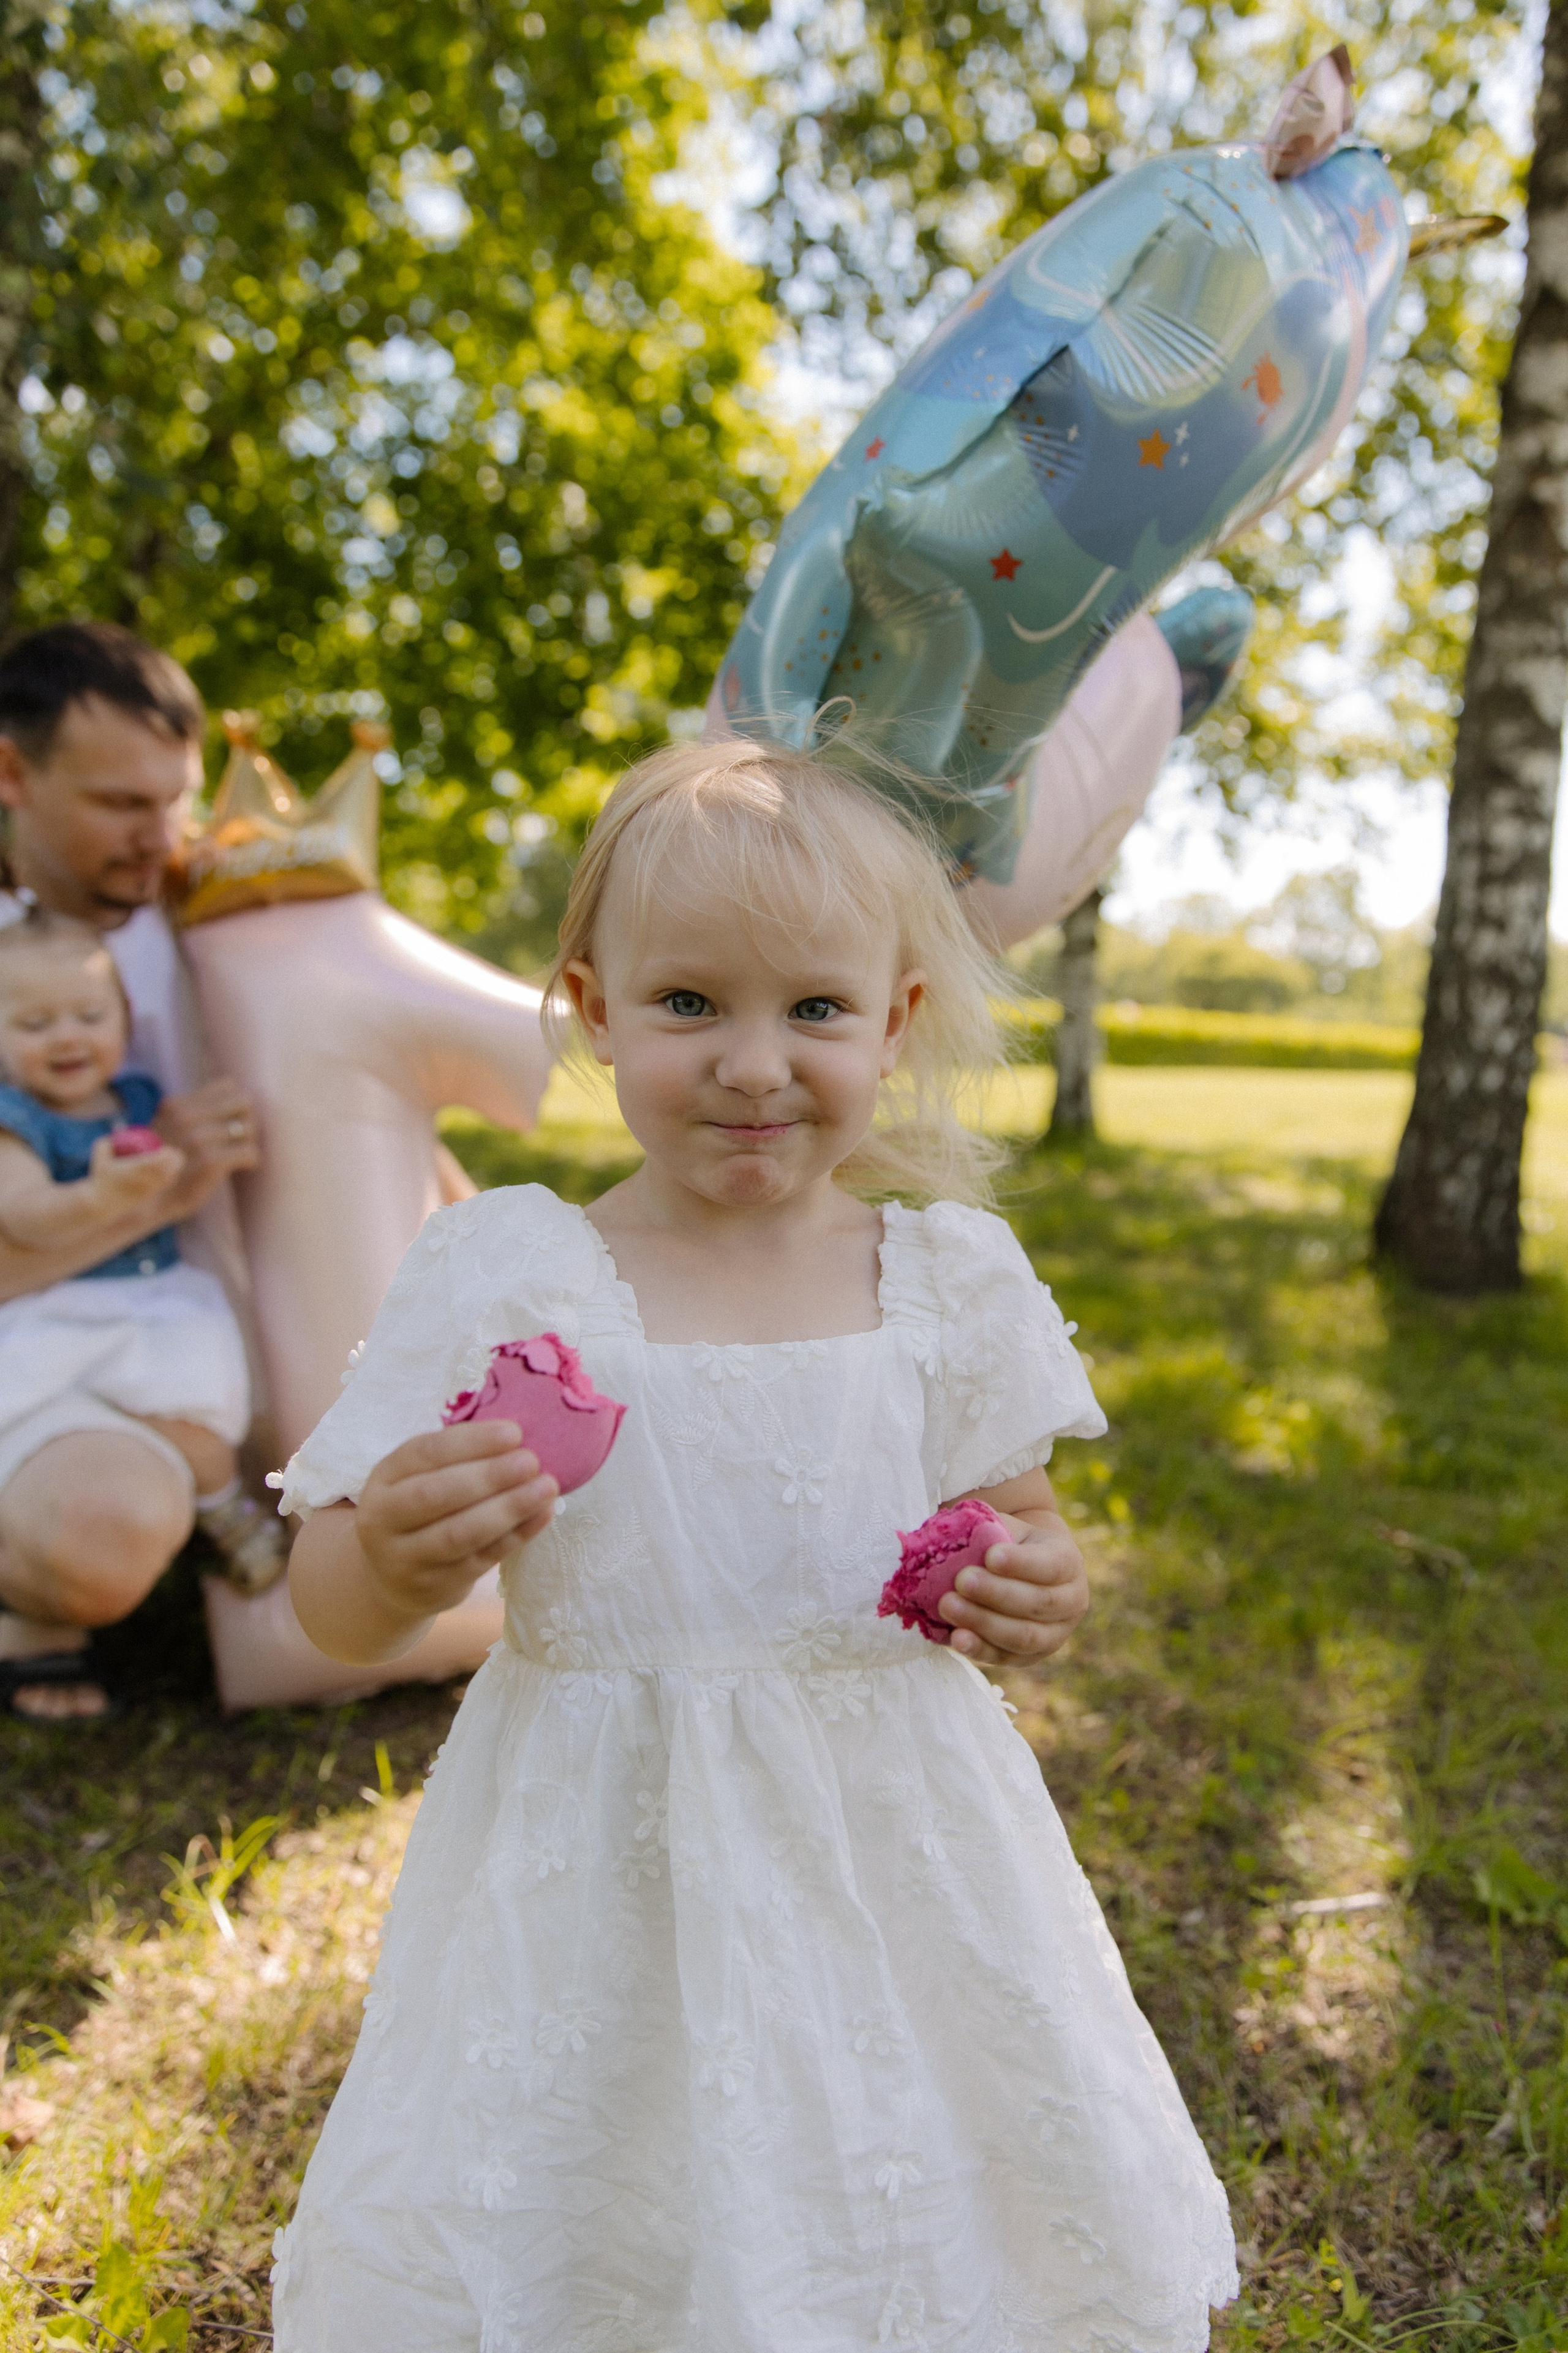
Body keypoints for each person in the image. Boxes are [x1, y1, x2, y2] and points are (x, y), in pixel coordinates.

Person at [269, 737, 1237, 2349]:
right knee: (605, 2196)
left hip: (898, 1842)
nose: (753, 1062)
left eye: (814, 1010)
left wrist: (1035, 1581)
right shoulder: (514, 1272)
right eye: (689, 1004)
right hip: (598, 1849)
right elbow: (333, 1603)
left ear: (895, 1021)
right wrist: (404, 1553)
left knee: (904, 2173)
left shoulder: (943, 1280)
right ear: (594, 1006)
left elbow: (1025, 1527)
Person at [0, 626, 265, 1719]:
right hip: (38, 1357)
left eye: (176, 801)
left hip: (192, 1338)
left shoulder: (233, 924)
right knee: (105, 1536)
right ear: (11, 774)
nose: (160, 837)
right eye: (120, 804)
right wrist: (165, 1189)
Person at [0, 907, 285, 1717]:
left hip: (148, 1308)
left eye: (89, 1016)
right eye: (34, 1022)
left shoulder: (134, 1100)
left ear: (126, 1020)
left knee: (195, 1412)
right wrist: (100, 1197)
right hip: (61, 1315)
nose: (67, 1036)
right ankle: (215, 1521)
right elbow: (21, 1218)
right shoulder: (16, 1122)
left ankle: (220, 1504)